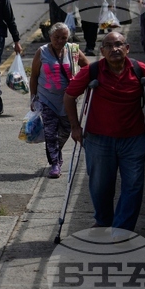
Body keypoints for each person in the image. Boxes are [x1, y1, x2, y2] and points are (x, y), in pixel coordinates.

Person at [64, 31, 145, 231]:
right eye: (108, 46)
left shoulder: (139, 70)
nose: (114, 49)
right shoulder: (91, 71)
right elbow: (68, 96)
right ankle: (104, 220)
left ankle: (122, 229)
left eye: (119, 44)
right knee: (100, 185)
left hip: (132, 138)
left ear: (127, 48)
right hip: (98, 139)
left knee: (133, 184)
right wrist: (75, 127)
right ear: (102, 51)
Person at [29, 22, 89, 178]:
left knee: (65, 131)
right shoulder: (41, 52)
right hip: (46, 98)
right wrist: (33, 98)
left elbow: (87, 67)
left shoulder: (73, 50)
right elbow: (34, 76)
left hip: (68, 100)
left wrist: (82, 83)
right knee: (50, 133)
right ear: (50, 36)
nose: (60, 41)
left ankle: (56, 151)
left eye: (64, 38)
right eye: (57, 37)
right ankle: (55, 164)